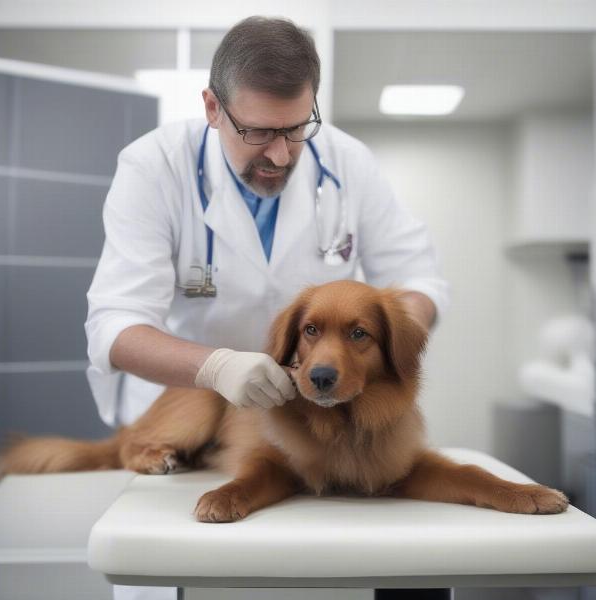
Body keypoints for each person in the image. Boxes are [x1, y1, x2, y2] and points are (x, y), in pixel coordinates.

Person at [85, 15, 449, 600]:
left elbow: (418, 278)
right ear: (212, 107)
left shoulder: (347, 162)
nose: (280, 155)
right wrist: (217, 369)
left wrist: (396, 330)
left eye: (297, 128)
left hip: (308, 425)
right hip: (187, 425)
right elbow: (114, 327)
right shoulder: (154, 167)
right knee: (169, 567)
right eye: (257, 132)